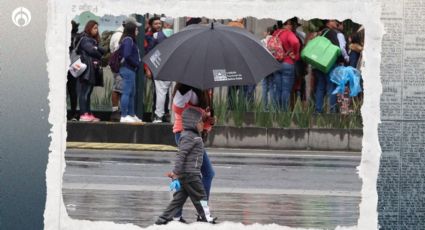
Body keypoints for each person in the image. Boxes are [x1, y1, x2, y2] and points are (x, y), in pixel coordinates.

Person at [155, 107, 217, 225]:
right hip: (191, 174)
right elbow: (181, 155)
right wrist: (175, 173)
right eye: (200, 122)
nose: (202, 124)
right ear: (193, 123)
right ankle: (206, 218)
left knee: (178, 200)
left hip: (186, 175)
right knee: (201, 196)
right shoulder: (189, 136)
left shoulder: (193, 135)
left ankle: (163, 219)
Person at [170, 83, 216, 222]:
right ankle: (202, 213)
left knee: (187, 176)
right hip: (186, 135)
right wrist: (200, 116)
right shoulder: (187, 88)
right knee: (208, 173)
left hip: (192, 135)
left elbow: (202, 121)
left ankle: (177, 215)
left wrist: (209, 121)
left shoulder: (204, 89)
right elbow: (178, 109)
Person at [270, 18, 301, 111]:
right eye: (291, 24)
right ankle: (284, 113)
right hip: (287, 63)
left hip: (276, 63)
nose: (292, 27)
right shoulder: (288, 33)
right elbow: (295, 42)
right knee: (286, 90)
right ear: (287, 23)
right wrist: (295, 54)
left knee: (278, 89)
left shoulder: (276, 33)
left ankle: (277, 112)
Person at [312, 19, 342, 114]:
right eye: (334, 20)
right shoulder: (332, 33)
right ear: (328, 22)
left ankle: (318, 110)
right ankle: (331, 111)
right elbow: (337, 49)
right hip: (328, 64)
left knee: (320, 86)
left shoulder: (320, 33)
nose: (336, 22)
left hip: (318, 64)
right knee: (331, 86)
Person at [77, 20, 104, 122]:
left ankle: (87, 113)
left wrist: (97, 49)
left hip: (91, 68)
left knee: (88, 92)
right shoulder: (85, 39)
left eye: (97, 28)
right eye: (94, 28)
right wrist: (98, 50)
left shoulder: (91, 40)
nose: (96, 30)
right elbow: (92, 51)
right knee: (85, 91)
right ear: (89, 28)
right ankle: (83, 114)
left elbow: (98, 51)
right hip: (86, 68)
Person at [118, 18, 143, 123]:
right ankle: (124, 115)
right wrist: (136, 63)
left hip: (130, 69)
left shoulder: (129, 39)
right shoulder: (128, 40)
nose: (137, 31)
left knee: (132, 93)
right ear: (132, 29)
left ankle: (131, 114)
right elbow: (127, 55)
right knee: (127, 92)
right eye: (136, 29)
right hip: (127, 69)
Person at [152, 17, 174, 123]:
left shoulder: (156, 35)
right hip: (174, 68)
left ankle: (159, 116)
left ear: (165, 24)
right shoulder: (177, 34)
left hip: (161, 67)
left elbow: (152, 51)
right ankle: (171, 113)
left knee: (161, 92)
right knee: (173, 92)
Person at [108, 21, 124, 121]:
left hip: (117, 65)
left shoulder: (117, 34)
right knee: (117, 88)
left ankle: (116, 111)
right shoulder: (119, 35)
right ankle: (115, 112)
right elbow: (118, 51)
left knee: (118, 88)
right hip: (119, 66)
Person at [67, 20, 80, 121]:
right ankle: (74, 113)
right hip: (73, 66)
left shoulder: (63, 37)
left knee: (63, 91)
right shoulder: (78, 37)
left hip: (63, 66)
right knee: (73, 90)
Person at [261, 26, 275, 110]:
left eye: (265, 31)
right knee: (272, 86)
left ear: (268, 32)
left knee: (264, 86)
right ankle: (272, 107)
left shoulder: (262, 41)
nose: (263, 33)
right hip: (273, 65)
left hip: (264, 65)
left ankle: (264, 107)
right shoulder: (275, 41)